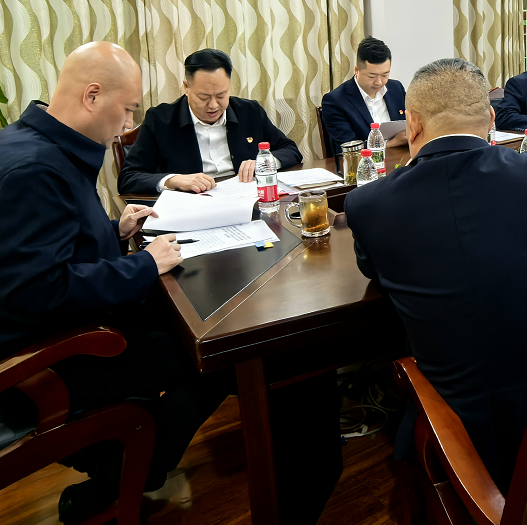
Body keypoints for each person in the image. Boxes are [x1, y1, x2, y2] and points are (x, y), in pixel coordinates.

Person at [345, 58, 527, 489]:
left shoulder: (369, 204)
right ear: (490, 118)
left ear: (412, 123)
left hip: (458, 415)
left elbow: (372, 269)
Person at [0, 42, 230, 522]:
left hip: (67, 327)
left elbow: (47, 248)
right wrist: (144, 264)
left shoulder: (27, 143)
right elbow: (40, 289)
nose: (128, 125)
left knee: (189, 325)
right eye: (127, 110)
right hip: (51, 358)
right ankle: (124, 475)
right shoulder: (35, 170)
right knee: (214, 354)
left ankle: (124, 465)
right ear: (92, 96)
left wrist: (113, 231)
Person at [118, 49, 302, 195]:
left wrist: (265, 162)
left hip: (247, 201)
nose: (213, 105)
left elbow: (290, 150)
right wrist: (173, 180)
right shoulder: (160, 120)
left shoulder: (249, 111)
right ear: (186, 87)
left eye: (221, 95)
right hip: (192, 209)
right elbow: (128, 178)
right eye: (204, 97)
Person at [321, 36, 408, 153]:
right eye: (372, 76)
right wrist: (391, 144)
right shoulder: (335, 101)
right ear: (357, 70)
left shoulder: (396, 88)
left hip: (402, 158)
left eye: (385, 75)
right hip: (363, 162)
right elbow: (347, 147)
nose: (379, 82)